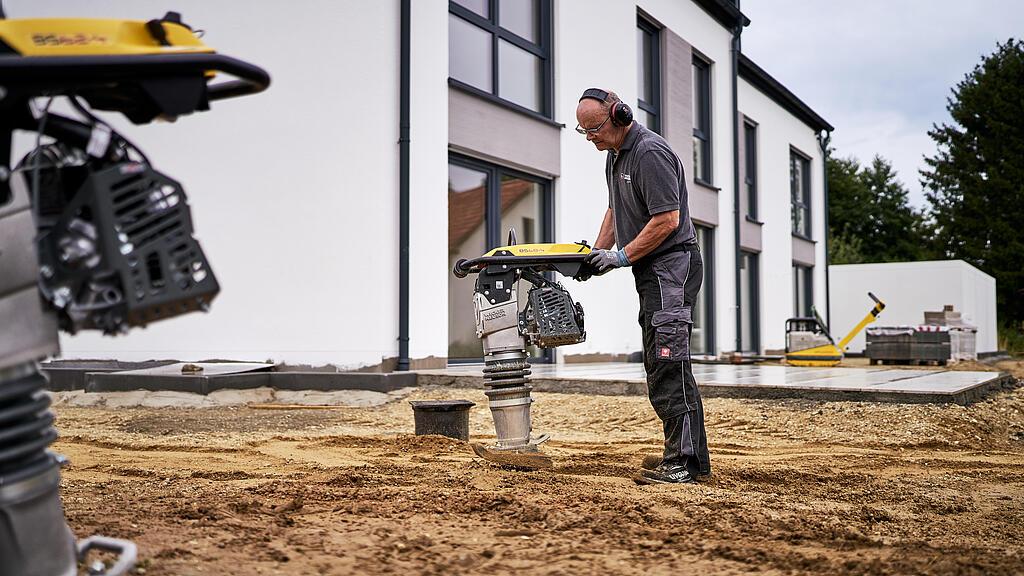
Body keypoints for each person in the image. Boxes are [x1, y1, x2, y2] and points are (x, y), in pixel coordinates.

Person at [575, 88, 710, 484]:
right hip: (650, 270)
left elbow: (667, 220)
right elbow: (616, 208)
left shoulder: (650, 154)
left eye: (594, 129)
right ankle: (686, 456)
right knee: (658, 361)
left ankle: (682, 463)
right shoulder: (615, 157)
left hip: (672, 265)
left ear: (619, 115)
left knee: (669, 360)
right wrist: (593, 255)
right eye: (583, 132)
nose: (590, 138)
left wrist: (619, 257)